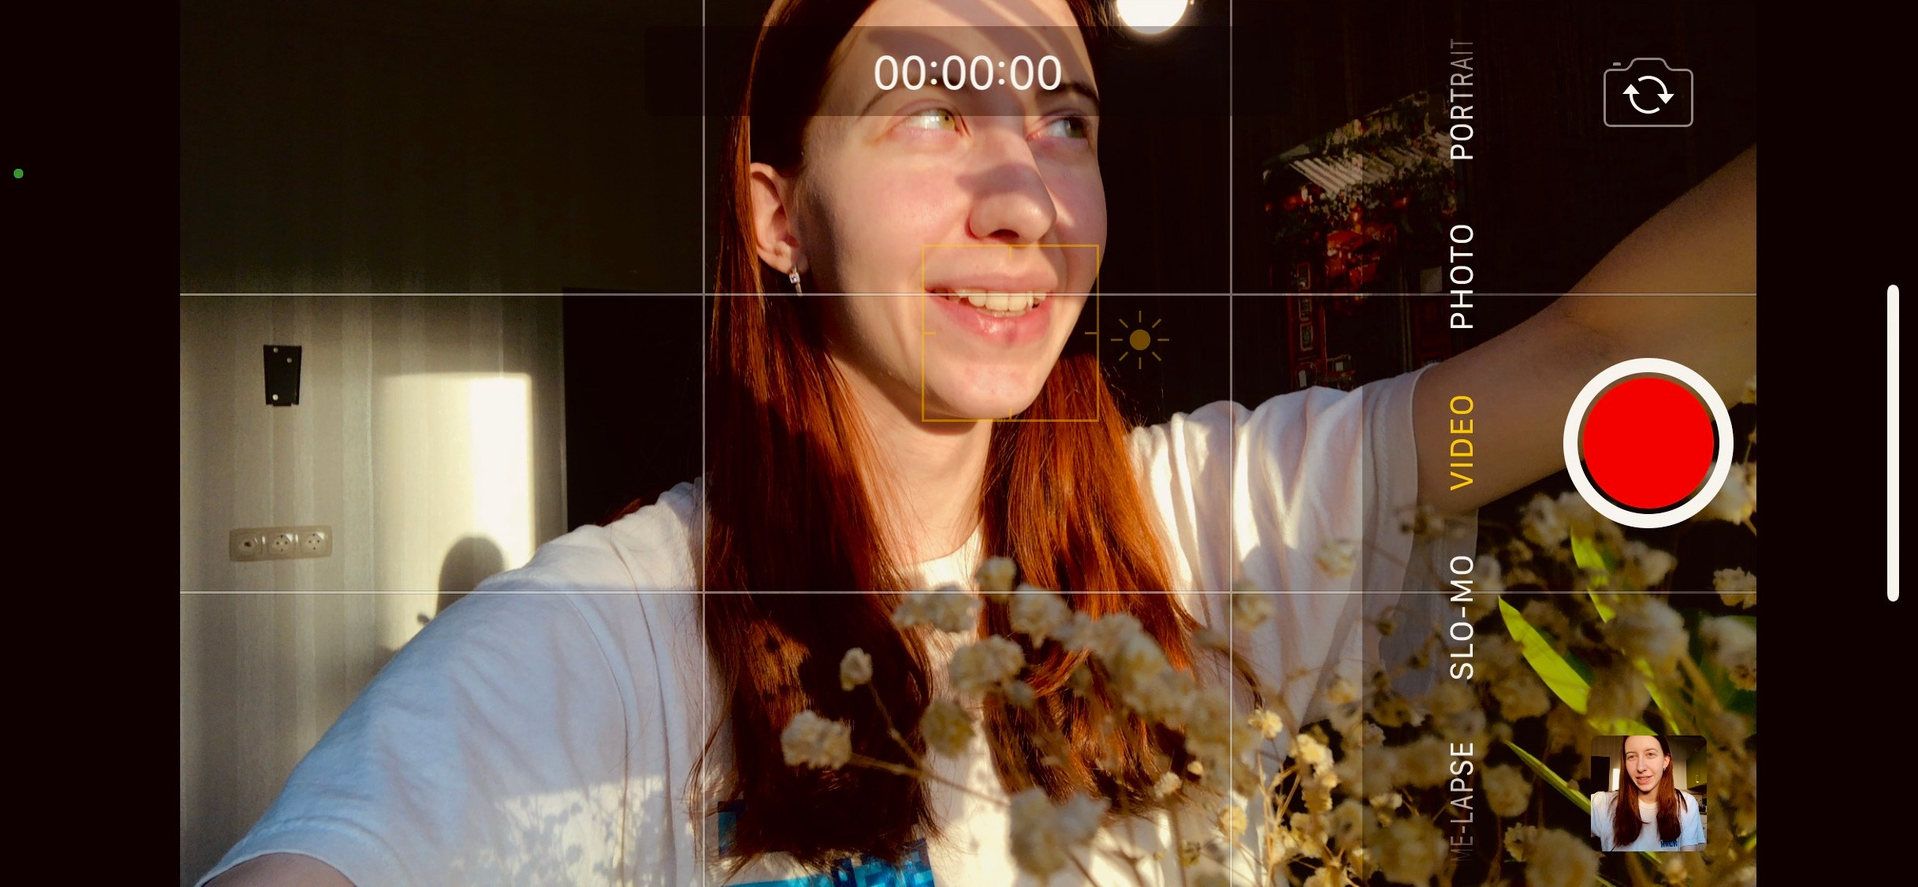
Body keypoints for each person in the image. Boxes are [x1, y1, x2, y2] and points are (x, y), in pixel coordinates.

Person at [197, 0, 1755, 884]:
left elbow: (1605, 352)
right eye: (932, 109)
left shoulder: (1211, 522)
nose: (1026, 193)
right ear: (778, 216)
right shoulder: (603, 640)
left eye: (1064, 118)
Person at [1590, 735, 1707, 852]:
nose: (1640, 767)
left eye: (1650, 754)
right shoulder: (1601, 804)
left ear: (1665, 761)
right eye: (1631, 756)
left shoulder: (1686, 804)